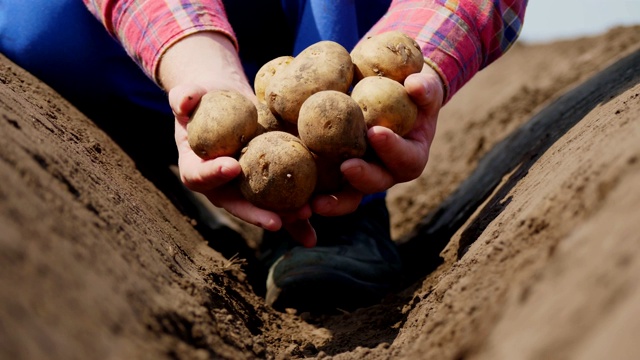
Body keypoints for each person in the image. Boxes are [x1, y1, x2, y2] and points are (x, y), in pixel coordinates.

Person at [0, 0, 527, 311]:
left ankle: (341, 210)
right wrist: (195, 65)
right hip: (184, 48)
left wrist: (408, 72)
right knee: (37, 30)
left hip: (348, 26)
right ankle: (191, 166)